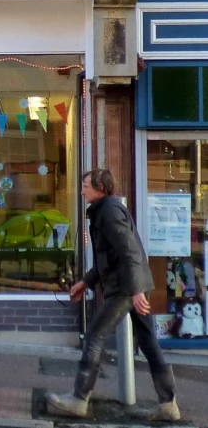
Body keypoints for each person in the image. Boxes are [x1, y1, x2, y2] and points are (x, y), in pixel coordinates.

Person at [45, 168, 180, 421]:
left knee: (94, 336)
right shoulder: (103, 212)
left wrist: (136, 290)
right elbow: (107, 259)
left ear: (101, 188)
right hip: (131, 285)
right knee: (149, 342)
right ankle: (168, 403)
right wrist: (85, 282)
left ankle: (78, 399)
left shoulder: (108, 212)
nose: (82, 190)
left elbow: (129, 252)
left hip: (125, 288)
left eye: (86, 186)